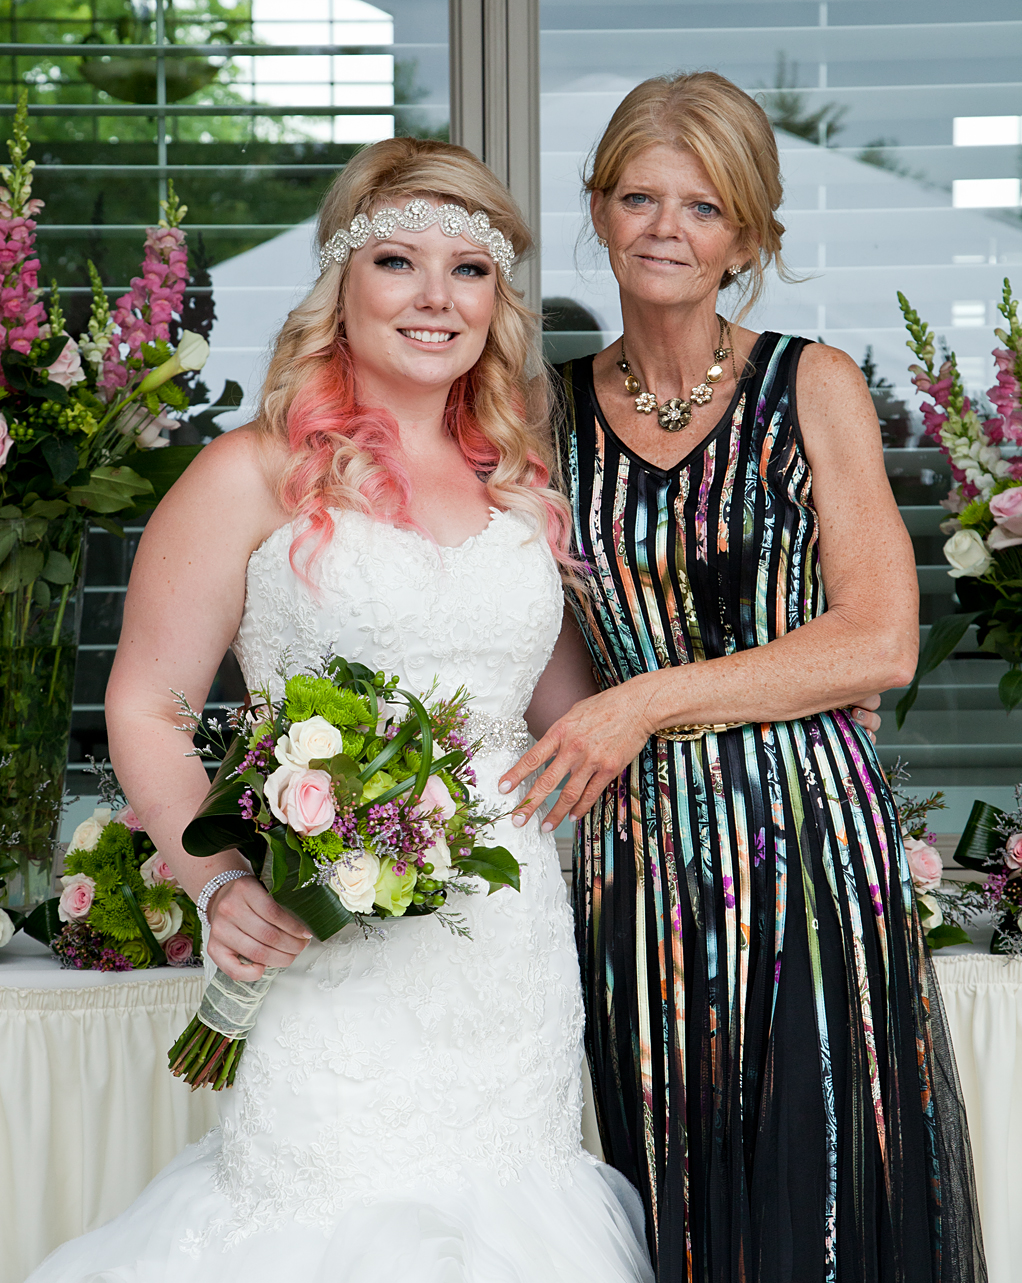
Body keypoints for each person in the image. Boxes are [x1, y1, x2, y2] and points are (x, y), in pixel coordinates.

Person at [27, 139, 654, 1283]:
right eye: (398, 261)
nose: (435, 297)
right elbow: (148, 703)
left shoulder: (522, 485)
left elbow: (571, 720)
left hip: (505, 953)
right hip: (326, 942)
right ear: (341, 282)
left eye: (469, 269)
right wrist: (218, 881)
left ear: (497, 301)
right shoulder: (249, 472)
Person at [499, 73, 987, 1283]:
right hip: (637, 862)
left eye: (703, 206)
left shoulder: (810, 383)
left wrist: (644, 699)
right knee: (674, 1185)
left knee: (817, 1195)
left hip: (807, 843)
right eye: (638, 197)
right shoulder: (542, 418)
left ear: (749, 235)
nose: (665, 228)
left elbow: (879, 641)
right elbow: (541, 655)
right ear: (597, 210)